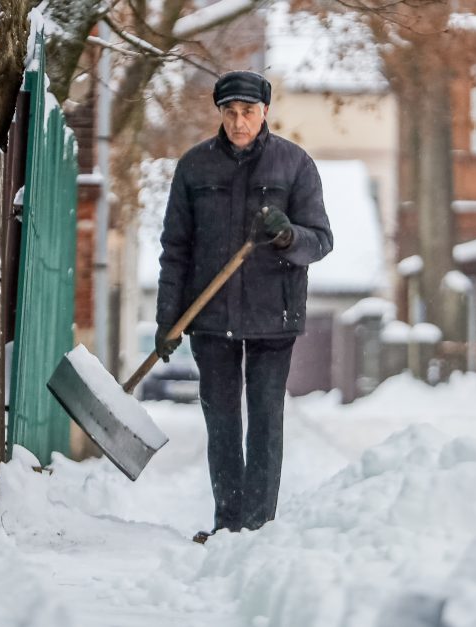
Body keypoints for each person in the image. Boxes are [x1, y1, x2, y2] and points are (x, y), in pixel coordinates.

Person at [154, 70, 333, 544]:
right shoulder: (195, 168)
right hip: (210, 320)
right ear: (219, 113)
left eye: (248, 113)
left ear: (265, 112)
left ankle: (258, 527)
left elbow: (321, 241)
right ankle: (226, 523)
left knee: (265, 422)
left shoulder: (294, 165)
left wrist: (289, 235)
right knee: (222, 423)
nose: (239, 123)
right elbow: (176, 248)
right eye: (230, 113)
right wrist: (166, 320)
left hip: (273, 318)